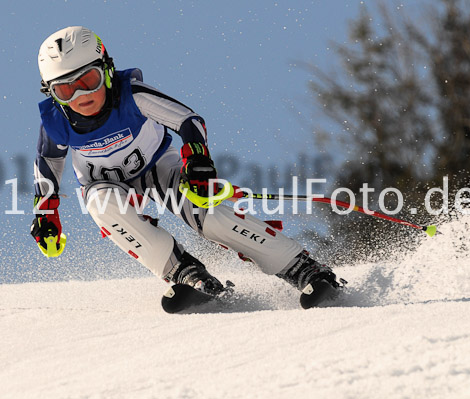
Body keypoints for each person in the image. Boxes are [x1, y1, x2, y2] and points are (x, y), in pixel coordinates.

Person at [30, 26, 340, 307]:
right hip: (104, 184)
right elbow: (48, 161)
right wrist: (45, 212)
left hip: (157, 167)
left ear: (107, 70)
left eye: (89, 81)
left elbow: (187, 120)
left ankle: (302, 268)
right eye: (65, 90)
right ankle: (186, 273)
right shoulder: (56, 121)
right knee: (100, 204)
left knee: (210, 213)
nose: (81, 95)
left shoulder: (131, 95)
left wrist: (197, 160)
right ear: (52, 93)